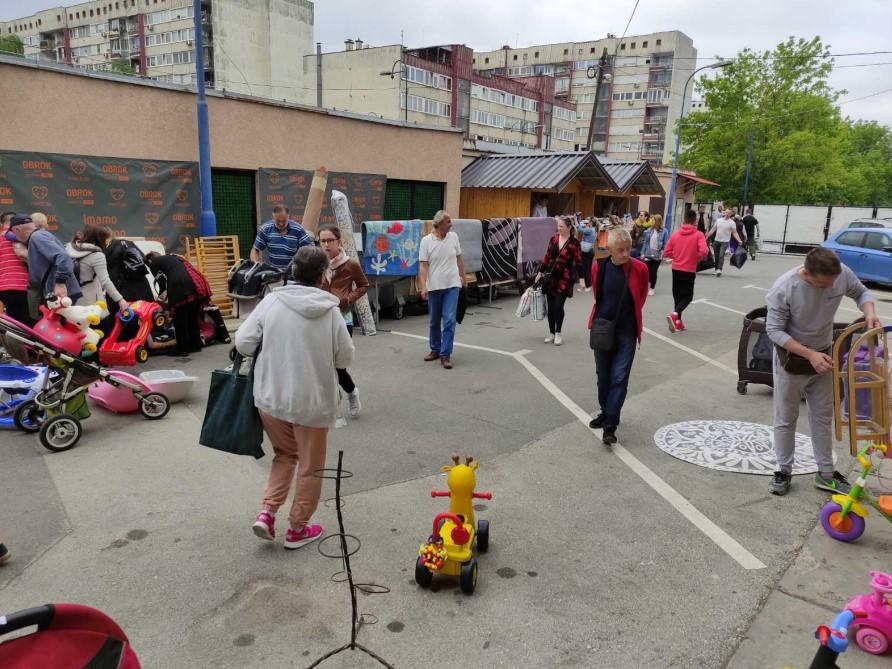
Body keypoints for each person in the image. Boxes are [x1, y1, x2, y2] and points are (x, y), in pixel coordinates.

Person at [238, 246, 355, 550]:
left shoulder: (272, 301)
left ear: (293, 271)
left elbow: (244, 342)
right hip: (312, 403)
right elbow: (344, 358)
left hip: (271, 397)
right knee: (310, 466)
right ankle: (298, 528)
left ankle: (267, 512)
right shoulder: (330, 312)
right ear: (322, 275)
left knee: (285, 455)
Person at [766, 248, 881, 496]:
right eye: (823, 284)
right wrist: (809, 354)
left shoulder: (840, 275)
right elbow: (774, 330)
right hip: (792, 360)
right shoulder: (784, 288)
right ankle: (783, 471)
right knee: (786, 418)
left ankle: (826, 474)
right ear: (806, 273)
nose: (830, 287)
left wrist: (870, 312)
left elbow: (861, 292)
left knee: (822, 417)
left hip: (824, 357)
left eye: (833, 282)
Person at [587, 228, 649, 446]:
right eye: (620, 250)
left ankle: (610, 425)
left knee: (619, 377)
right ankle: (606, 411)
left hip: (627, 331)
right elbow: (597, 294)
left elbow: (641, 297)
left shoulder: (640, 268)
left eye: (628, 249)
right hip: (603, 328)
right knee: (603, 376)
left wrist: (629, 320)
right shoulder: (599, 267)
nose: (625, 254)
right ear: (610, 248)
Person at [319, 225, 369, 418]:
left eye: (329, 240)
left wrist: (349, 298)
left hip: (343, 318)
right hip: (321, 318)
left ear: (338, 241)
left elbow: (364, 285)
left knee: (338, 365)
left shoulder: (351, 264)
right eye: (322, 240)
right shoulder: (318, 263)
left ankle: (352, 393)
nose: (325, 244)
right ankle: (334, 407)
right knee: (325, 365)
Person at [7, 214, 82, 320]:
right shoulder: (39, 236)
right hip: (56, 294)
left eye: (13, 232)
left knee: (57, 332)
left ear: (17, 229)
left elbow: (63, 257)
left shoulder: (37, 237)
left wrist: (60, 283)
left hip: (60, 294)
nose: (15, 237)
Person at [418, 210, 465, 369]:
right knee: (434, 321)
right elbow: (423, 266)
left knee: (450, 319)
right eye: (448, 222)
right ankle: (435, 349)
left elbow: (459, 258)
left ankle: (446, 354)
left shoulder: (454, 237)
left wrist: (463, 277)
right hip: (434, 287)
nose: (451, 224)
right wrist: (423, 286)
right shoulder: (426, 241)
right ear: (439, 225)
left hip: (452, 285)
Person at [145, 252, 210, 356]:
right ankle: (195, 345)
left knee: (180, 319)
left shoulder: (153, 262)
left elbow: (161, 282)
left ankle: (182, 349)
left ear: (149, 260)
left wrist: (161, 297)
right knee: (192, 318)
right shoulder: (174, 257)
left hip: (181, 284)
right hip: (196, 282)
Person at [536, 217, 582, 346]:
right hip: (551, 276)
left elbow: (579, 261)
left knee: (558, 306)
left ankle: (558, 332)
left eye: (561, 226)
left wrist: (582, 279)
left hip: (566, 277)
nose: (559, 228)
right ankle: (551, 332)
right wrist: (540, 272)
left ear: (568, 227)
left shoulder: (574, 242)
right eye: (558, 226)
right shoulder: (554, 239)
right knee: (550, 306)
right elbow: (547, 256)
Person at [662, 209, 709, 333]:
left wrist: (676, 257)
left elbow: (666, 252)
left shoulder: (675, 234)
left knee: (678, 296)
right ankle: (675, 315)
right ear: (695, 220)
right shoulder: (699, 234)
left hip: (676, 268)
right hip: (689, 269)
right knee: (688, 297)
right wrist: (695, 258)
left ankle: (678, 322)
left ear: (684, 219)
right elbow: (704, 251)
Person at [65, 226, 129, 315]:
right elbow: (105, 281)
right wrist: (120, 299)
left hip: (70, 299)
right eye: (106, 239)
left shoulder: (69, 248)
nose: (107, 243)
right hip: (91, 304)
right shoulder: (97, 255)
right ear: (99, 239)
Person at [250, 205, 314, 272]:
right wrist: (255, 263)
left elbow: (311, 249)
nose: (281, 224)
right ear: (272, 217)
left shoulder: (298, 229)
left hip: (295, 272)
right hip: (275, 272)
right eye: (277, 221)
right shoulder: (265, 229)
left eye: (284, 221)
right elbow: (255, 249)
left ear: (288, 216)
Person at [0, 211, 31, 324]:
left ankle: (15, 341)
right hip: (23, 285)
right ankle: (26, 342)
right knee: (26, 321)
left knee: (14, 321)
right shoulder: (23, 237)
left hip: (4, 288)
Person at [705, 208, 743, 277]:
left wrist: (739, 240)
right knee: (716, 256)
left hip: (725, 242)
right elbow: (713, 229)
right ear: (724, 213)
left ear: (731, 214)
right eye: (726, 212)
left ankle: (719, 269)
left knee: (721, 255)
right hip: (717, 241)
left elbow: (735, 233)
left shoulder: (732, 223)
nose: (727, 214)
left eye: (729, 213)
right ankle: (716, 269)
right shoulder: (719, 221)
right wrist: (707, 236)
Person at [640, 213, 669, 296]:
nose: (652, 221)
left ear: (658, 221)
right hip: (648, 253)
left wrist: (663, 254)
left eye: (653, 220)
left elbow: (665, 244)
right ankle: (647, 287)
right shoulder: (649, 230)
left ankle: (652, 288)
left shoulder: (664, 231)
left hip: (657, 254)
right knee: (647, 271)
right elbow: (646, 242)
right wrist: (642, 253)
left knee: (653, 271)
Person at [576, 218, 597, 293]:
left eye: (589, 222)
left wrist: (576, 220)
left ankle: (588, 286)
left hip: (587, 251)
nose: (587, 223)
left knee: (586, 269)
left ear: (591, 223)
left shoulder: (590, 230)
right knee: (585, 269)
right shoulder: (592, 229)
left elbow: (580, 230)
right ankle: (583, 286)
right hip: (588, 251)